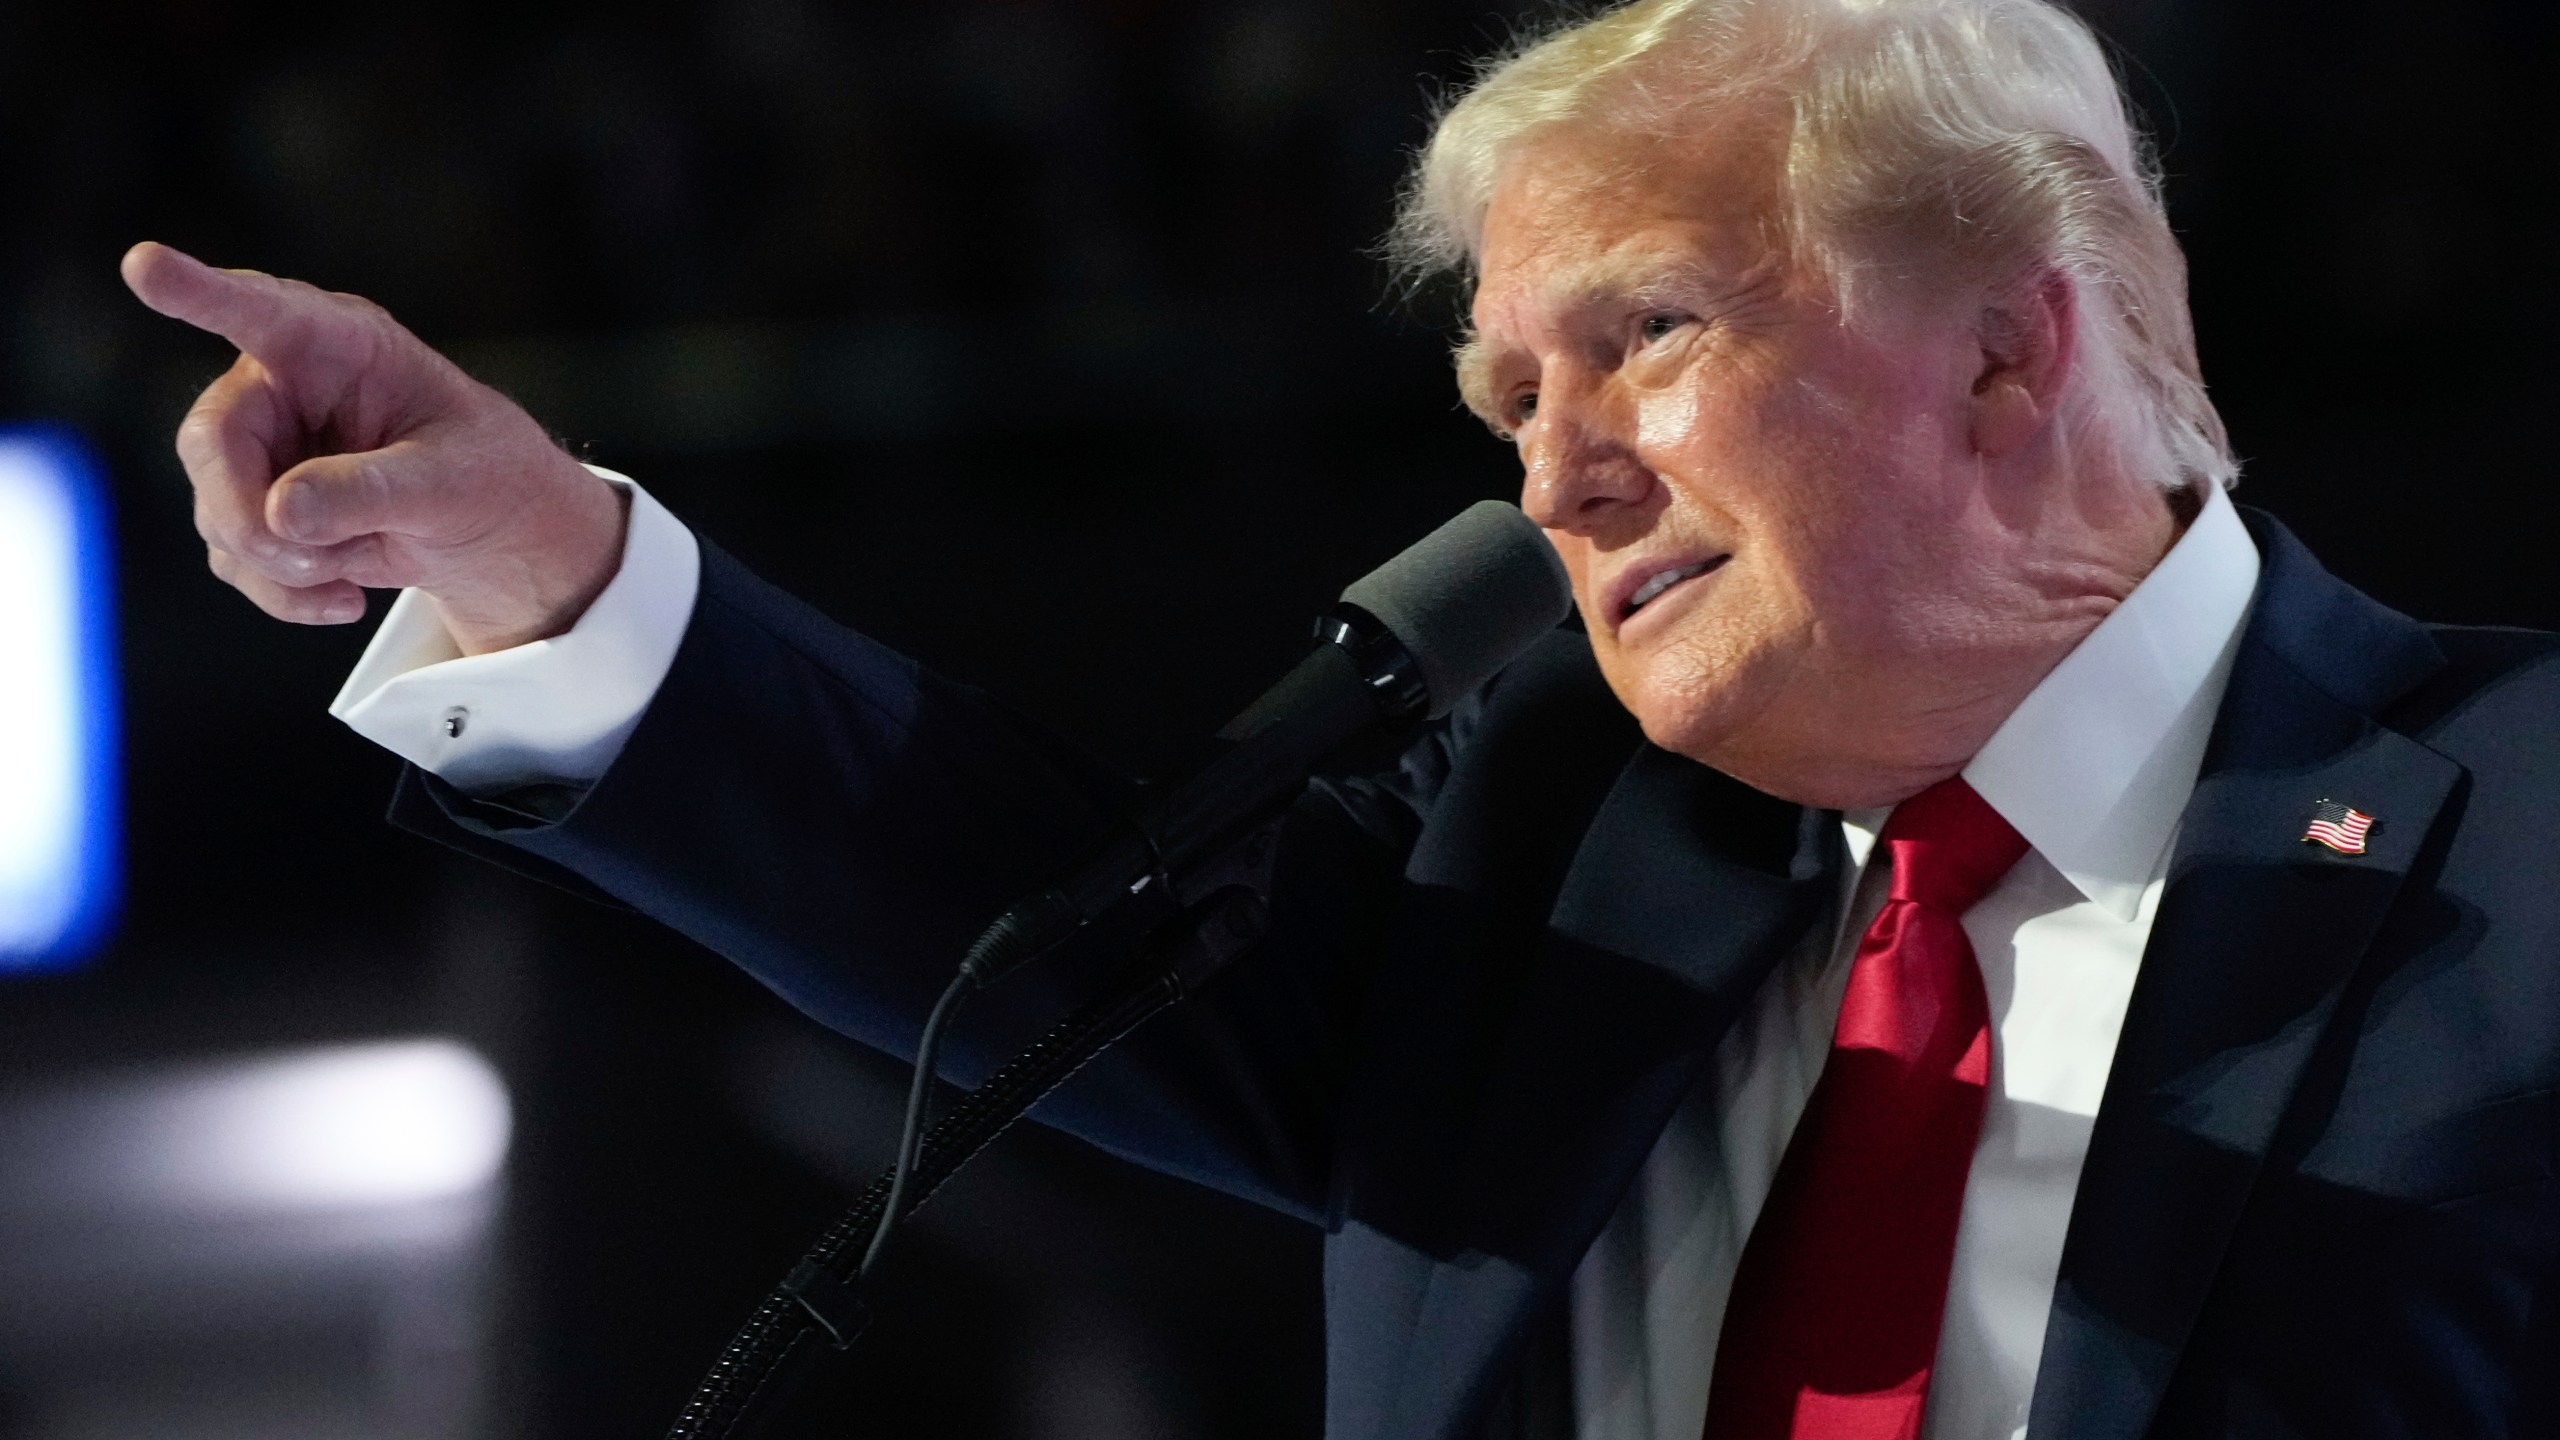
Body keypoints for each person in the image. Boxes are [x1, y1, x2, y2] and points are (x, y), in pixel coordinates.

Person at [121, 0, 2559, 1436]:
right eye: (1508, 391)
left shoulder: (2520, 839)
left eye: (1646, 335)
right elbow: (1023, 910)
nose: (1552, 474)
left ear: (2010, 345)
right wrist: (534, 560)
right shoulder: (1545, 867)